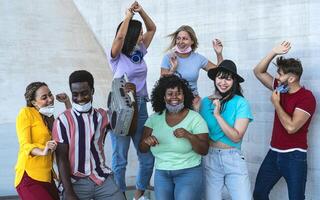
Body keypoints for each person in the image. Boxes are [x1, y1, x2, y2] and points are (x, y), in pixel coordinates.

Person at [252, 41, 316, 200]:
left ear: (292, 78)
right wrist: (274, 51)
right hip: (274, 153)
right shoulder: (280, 89)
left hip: (294, 156)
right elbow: (258, 71)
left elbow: (291, 127)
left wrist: (276, 104)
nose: (277, 78)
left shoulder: (307, 98)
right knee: (259, 193)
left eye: (280, 74)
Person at [106, 1, 156, 199]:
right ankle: (121, 197)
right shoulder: (116, 57)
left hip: (141, 107)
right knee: (120, 160)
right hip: (122, 110)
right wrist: (128, 16)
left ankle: (138, 195)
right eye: (139, 33)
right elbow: (119, 36)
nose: (142, 36)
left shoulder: (140, 51)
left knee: (147, 158)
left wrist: (140, 11)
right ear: (131, 35)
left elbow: (153, 28)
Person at [52, 70, 125, 200]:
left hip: (101, 178)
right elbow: (61, 157)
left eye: (84, 93)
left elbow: (127, 129)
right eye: (75, 94)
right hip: (75, 182)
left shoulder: (103, 116)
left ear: (92, 91)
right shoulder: (62, 120)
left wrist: (131, 99)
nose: (79, 98)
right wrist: (68, 191)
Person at [139, 75, 209, 200]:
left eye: (178, 93)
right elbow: (142, 148)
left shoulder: (195, 118)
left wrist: (189, 136)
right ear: (164, 97)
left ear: (185, 96)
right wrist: (147, 141)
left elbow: (204, 150)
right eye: (170, 94)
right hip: (162, 173)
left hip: (188, 172)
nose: (174, 97)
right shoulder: (154, 118)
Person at [199, 60, 253, 200]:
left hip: (233, 158)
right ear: (215, 79)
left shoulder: (241, 103)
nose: (223, 82)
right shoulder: (205, 103)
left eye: (228, 78)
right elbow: (199, 131)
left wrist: (217, 115)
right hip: (210, 158)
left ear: (234, 81)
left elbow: (236, 137)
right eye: (220, 77)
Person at [15, 82, 71, 200]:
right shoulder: (26, 113)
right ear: (34, 102)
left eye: (50, 95)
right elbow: (25, 144)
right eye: (44, 97)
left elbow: (70, 126)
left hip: (47, 176)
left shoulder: (49, 118)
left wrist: (67, 102)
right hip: (29, 177)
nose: (50, 99)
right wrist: (43, 151)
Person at [160, 25, 223, 110]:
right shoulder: (169, 57)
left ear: (192, 41)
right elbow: (161, 81)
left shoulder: (198, 58)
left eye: (185, 39)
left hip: (192, 102)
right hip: (173, 101)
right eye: (178, 38)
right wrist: (172, 70)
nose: (180, 41)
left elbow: (219, 73)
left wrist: (219, 54)